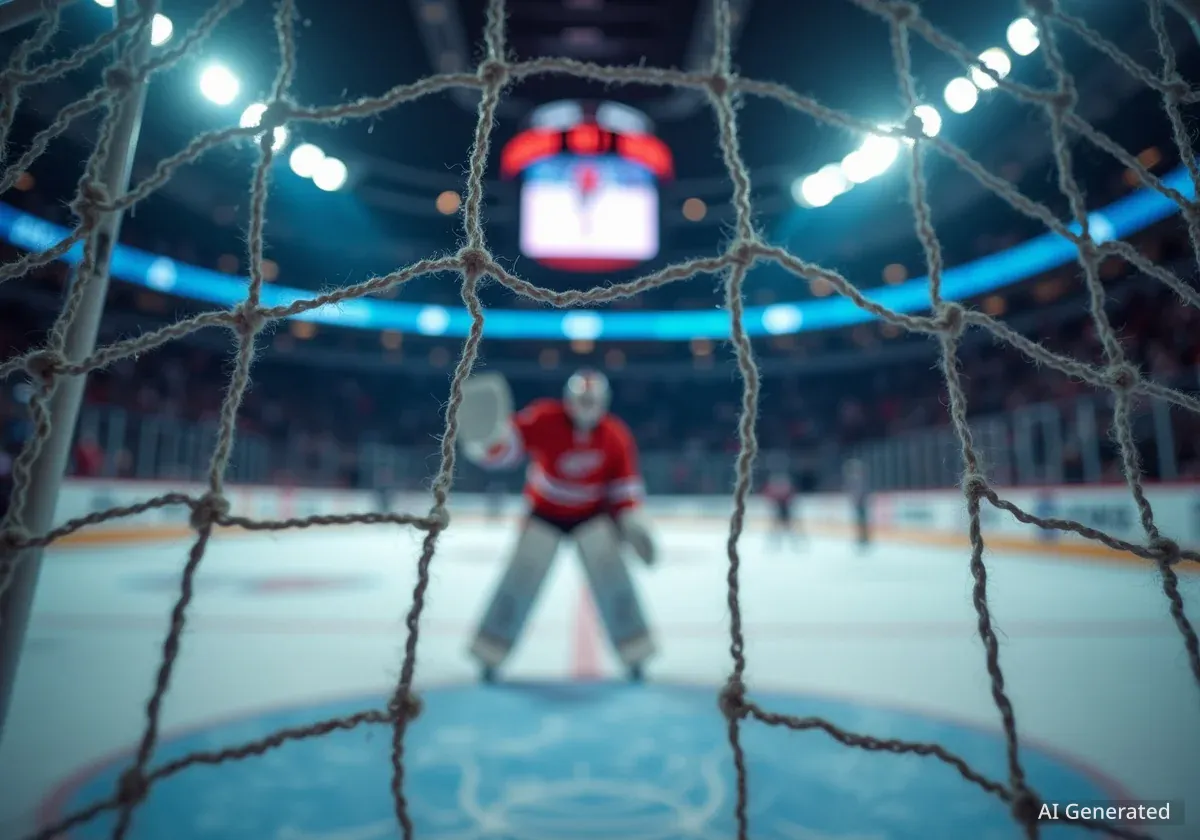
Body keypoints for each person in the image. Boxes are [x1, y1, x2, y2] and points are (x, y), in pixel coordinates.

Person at [459, 368, 657, 683]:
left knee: (614, 581)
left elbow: (625, 488)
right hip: (544, 514)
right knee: (518, 581)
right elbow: (510, 447)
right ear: (569, 399)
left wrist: (633, 523)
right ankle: (489, 651)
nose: (587, 406)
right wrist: (490, 442)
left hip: (591, 517)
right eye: (582, 399)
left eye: (592, 400)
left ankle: (636, 650)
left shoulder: (616, 436)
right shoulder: (544, 418)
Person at [762, 470, 801, 548]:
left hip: (785, 510)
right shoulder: (779, 490)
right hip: (780, 511)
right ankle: (774, 544)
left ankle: (794, 543)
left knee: (788, 528)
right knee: (776, 529)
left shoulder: (785, 490)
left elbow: (791, 497)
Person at [844, 458, 870, 549]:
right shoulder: (854, 480)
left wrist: (859, 499)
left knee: (862, 522)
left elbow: (862, 492)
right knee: (859, 522)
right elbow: (853, 493)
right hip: (858, 504)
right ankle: (861, 538)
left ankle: (864, 539)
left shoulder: (860, 480)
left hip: (862, 504)